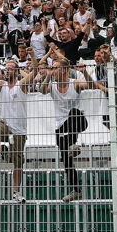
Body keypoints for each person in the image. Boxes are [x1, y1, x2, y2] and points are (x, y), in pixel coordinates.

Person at [38, 58, 95, 203]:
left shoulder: (74, 83)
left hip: (78, 121)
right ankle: (77, 190)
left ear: (63, 70)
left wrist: (84, 72)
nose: (52, 69)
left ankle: (73, 144)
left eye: (55, 68)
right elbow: (42, 90)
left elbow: (90, 85)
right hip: (61, 128)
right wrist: (48, 76)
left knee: (73, 112)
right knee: (67, 161)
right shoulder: (52, 85)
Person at [0, 60, 33, 203]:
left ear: (16, 72)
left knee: (17, 163)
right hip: (5, 125)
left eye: (11, 69)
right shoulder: (2, 85)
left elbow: (33, 73)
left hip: (18, 129)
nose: (7, 71)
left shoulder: (21, 85)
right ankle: (1, 152)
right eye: (6, 69)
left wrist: (24, 67)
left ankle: (16, 191)